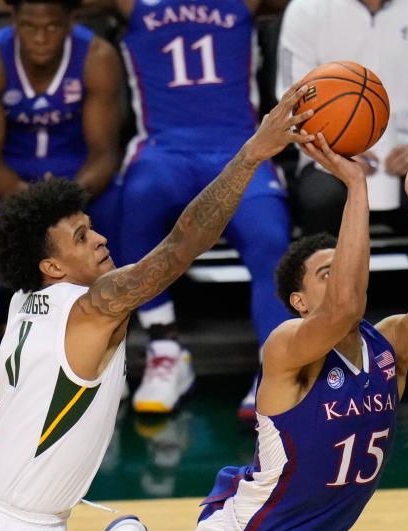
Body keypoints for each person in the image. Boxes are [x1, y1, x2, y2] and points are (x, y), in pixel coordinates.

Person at [0, 84, 314, 531]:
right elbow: (181, 245)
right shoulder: (94, 307)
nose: (99, 238)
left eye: (90, 225)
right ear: (52, 266)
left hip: (15, 527)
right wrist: (251, 156)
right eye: (80, 237)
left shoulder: (24, 304)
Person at [69, 126, 408, 531]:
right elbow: (347, 303)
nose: (339, 277)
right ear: (299, 302)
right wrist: (357, 187)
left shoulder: (388, 347)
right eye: (325, 272)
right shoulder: (285, 348)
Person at [110, 0, 296, 418]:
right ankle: (166, 345)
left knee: (270, 237)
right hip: (165, 148)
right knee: (138, 199)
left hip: (240, 147)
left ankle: (274, 368)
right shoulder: (134, 5)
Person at [277, 0, 408, 410]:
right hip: (329, 151)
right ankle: (324, 349)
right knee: (320, 199)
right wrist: (333, 150)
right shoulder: (306, 10)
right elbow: (289, 102)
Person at [0, 0, 123, 403]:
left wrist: (63, 205)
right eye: (29, 27)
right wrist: (36, 206)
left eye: (51, 27)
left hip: (76, 173)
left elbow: (104, 154)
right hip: (10, 173)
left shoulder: (97, 57)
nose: (40, 37)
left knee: (118, 203)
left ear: (70, 20)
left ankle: (111, 343)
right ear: (13, 20)